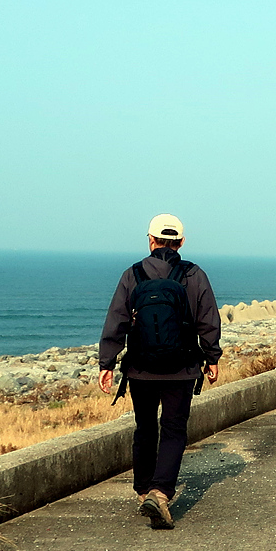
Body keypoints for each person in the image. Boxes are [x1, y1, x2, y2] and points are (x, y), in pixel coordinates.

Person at [97, 213, 222, 529]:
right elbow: (208, 319)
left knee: (145, 428)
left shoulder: (133, 274)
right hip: (182, 367)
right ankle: (161, 492)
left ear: (150, 240)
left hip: (141, 368)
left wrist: (107, 363)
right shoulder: (194, 274)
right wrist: (212, 357)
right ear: (181, 242)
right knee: (174, 429)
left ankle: (143, 491)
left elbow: (117, 320)